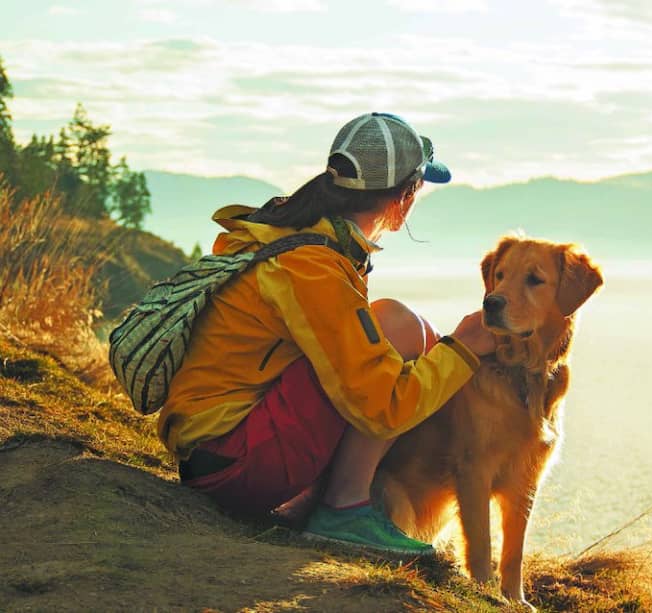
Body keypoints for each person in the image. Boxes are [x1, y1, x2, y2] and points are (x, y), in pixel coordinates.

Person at [157, 112, 495, 555]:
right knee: (400, 326)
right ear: (406, 196)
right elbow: (381, 407)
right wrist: (463, 350)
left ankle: (321, 500)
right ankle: (342, 509)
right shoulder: (313, 265)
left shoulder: (300, 233)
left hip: (214, 452)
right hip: (234, 464)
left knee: (401, 330)